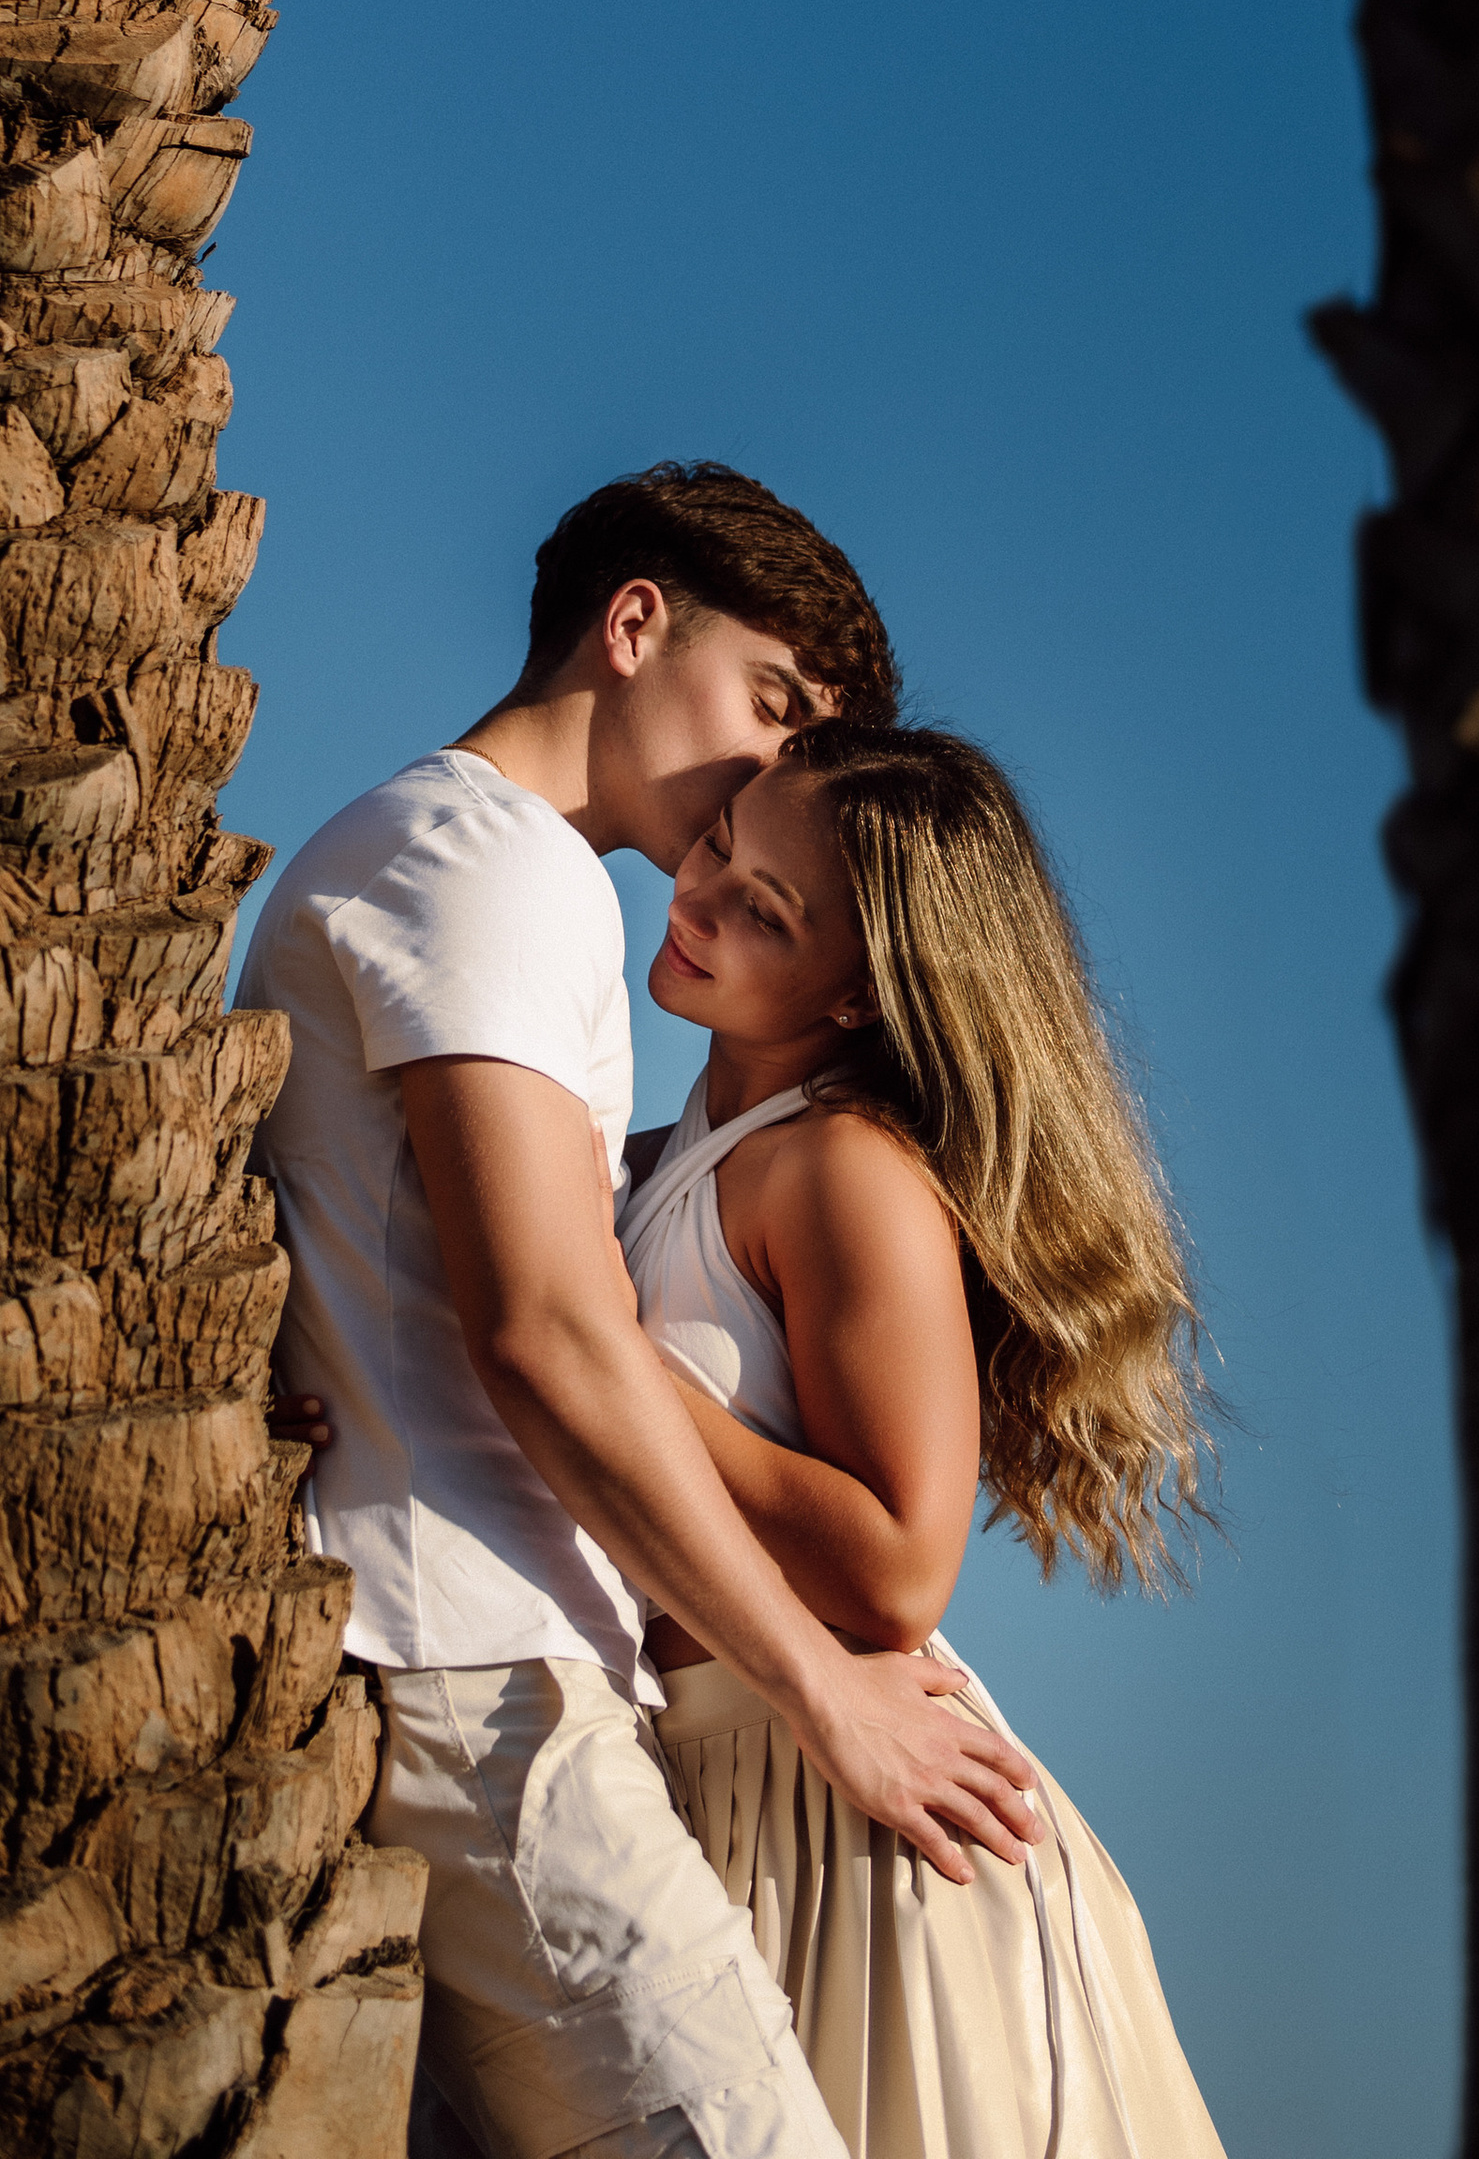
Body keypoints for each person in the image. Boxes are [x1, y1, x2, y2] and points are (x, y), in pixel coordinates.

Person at [242, 463, 1039, 2159]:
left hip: (489, 1656)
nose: (773, 768)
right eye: (769, 701)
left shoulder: (465, 863)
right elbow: (541, 1330)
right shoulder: (490, 865)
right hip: (483, 1664)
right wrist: (831, 1701)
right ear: (631, 625)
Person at [612, 717, 1228, 2159]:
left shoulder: (842, 1171)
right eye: (719, 845)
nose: (695, 898)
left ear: (856, 1000)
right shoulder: (675, 1149)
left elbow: (900, 1566)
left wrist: (625, 1379)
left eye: (762, 910)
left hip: (861, 1828)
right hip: (724, 1782)